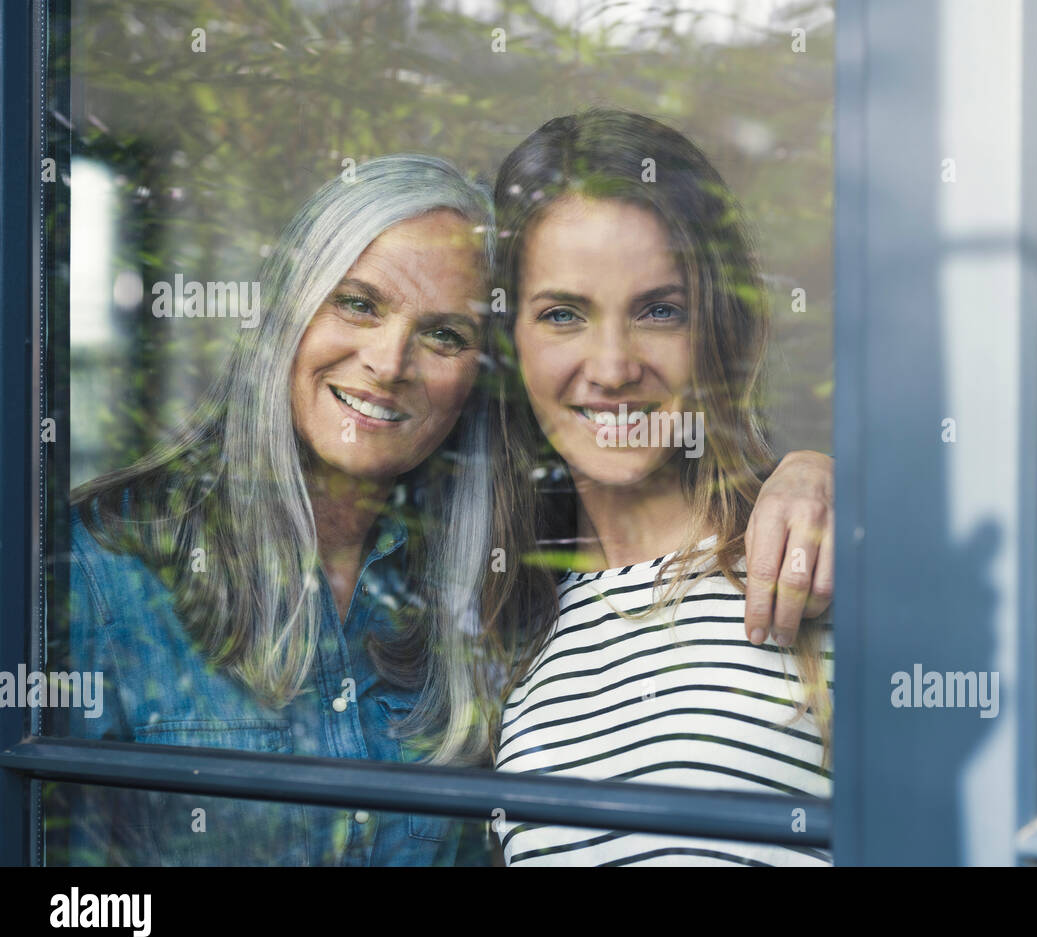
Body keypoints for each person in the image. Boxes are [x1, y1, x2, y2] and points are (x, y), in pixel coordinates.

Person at [58, 151, 834, 866]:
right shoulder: (102, 567)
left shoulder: (490, 598)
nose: (389, 362)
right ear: (285, 314)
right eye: (358, 304)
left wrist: (819, 477)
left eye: (443, 333)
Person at [490, 109, 833, 866]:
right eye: (563, 314)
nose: (612, 367)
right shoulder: (506, 638)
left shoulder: (809, 563)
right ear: (510, 343)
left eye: (658, 310)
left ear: (718, 329)